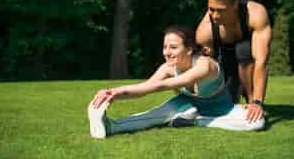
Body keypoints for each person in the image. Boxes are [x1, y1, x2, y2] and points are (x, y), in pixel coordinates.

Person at [88, 25, 265, 139]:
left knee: (257, 122)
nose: (167, 52)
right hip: (184, 105)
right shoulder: (167, 68)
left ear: (189, 49)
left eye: (173, 47)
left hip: (220, 110)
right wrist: (112, 93)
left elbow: (163, 85)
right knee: (151, 116)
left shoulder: (205, 65)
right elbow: (146, 87)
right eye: (165, 47)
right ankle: (110, 126)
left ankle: (197, 120)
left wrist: (117, 92)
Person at [195, 0, 272, 122]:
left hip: (248, 57)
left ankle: (251, 101)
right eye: (211, 9)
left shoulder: (256, 14)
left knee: (243, 49)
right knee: (228, 104)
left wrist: (257, 102)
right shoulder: (205, 31)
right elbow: (206, 68)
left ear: (235, 5)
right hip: (225, 58)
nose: (215, 16)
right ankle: (234, 93)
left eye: (221, 10)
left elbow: (262, 60)